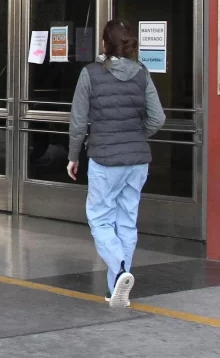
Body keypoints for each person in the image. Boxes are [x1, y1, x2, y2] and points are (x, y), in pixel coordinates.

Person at [67, 19, 165, 309]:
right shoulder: (142, 73)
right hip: (137, 160)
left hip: (105, 158)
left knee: (99, 218)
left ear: (104, 44)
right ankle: (116, 291)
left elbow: (77, 121)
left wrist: (73, 156)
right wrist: (136, 136)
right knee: (126, 221)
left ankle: (121, 272)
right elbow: (158, 118)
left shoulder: (90, 74)